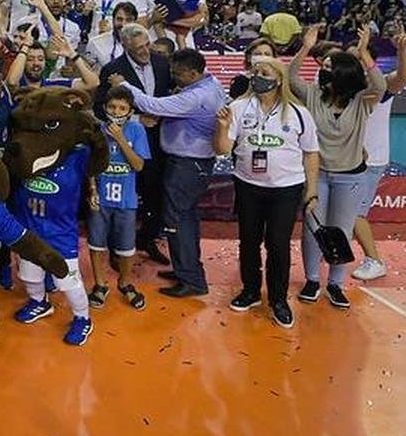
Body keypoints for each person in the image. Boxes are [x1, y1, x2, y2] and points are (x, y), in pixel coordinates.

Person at [214, 58, 319, 329]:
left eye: (264, 72)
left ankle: (278, 300)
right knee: (248, 241)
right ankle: (250, 290)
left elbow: (310, 153)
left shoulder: (298, 112)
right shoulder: (237, 107)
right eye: (255, 72)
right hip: (248, 186)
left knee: (278, 243)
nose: (257, 76)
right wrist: (223, 127)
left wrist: (312, 189)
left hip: (286, 188)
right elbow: (223, 150)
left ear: (280, 79)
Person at [111, 48, 225, 297]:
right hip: (193, 164)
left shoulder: (197, 96)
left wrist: (126, 86)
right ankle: (187, 269)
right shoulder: (210, 83)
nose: (173, 77)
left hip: (188, 164)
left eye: (178, 74)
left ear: (194, 73)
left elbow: (152, 105)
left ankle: (191, 280)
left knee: (178, 221)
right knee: (187, 219)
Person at [289, 25, 386, 309]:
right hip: (316, 175)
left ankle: (336, 284)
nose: (323, 68)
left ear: (343, 75)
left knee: (341, 230)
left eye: (330, 66)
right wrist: (306, 47)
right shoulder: (311, 95)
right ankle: (312, 279)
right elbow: (290, 76)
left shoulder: (361, 101)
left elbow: (380, 85)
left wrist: (364, 52)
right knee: (313, 229)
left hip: (350, 177)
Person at [97, 23, 173, 265]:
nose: (145, 51)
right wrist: (138, 119)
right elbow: (100, 107)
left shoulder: (162, 64)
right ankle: (115, 250)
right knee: (120, 200)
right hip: (122, 144)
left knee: (154, 194)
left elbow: (170, 98)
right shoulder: (112, 69)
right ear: (125, 45)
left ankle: (148, 240)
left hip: (159, 143)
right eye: (139, 48)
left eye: (146, 45)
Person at [352, 33, 406, 281]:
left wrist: (403, 50)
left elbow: (403, 77)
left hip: (370, 161)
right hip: (347, 160)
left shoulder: (381, 86)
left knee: (354, 214)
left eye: (359, 55)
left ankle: (374, 260)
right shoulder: (344, 85)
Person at [87, 86, 151, 311]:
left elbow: (139, 165)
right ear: (105, 108)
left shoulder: (136, 130)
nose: (116, 111)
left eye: (122, 108)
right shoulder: (97, 131)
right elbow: (91, 165)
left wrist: (120, 139)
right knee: (96, 243)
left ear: (130, 111)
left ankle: (125, 283)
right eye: (112, 107)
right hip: (101, 199)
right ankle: (99, 285)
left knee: (126, 247)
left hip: (126, 200)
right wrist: (92, 189)